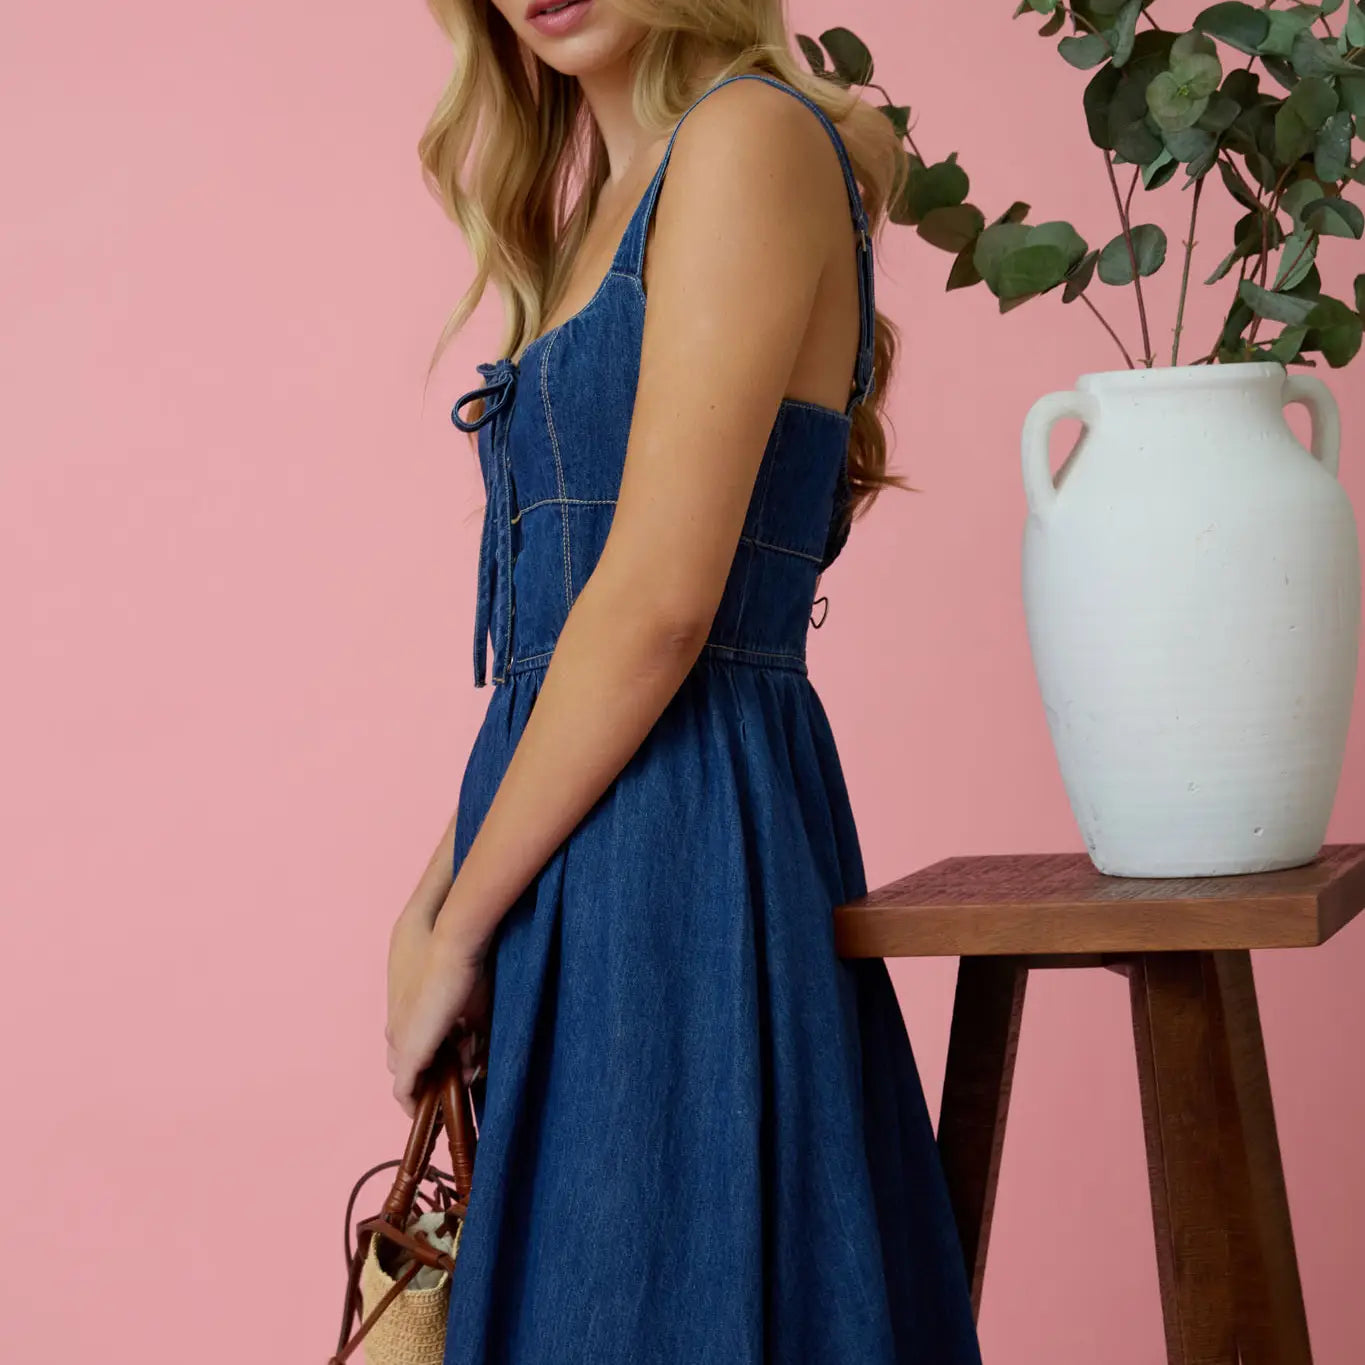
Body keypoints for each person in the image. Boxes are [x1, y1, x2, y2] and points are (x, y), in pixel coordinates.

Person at [383, 1, 984, 1360]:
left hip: (681, 845)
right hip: (578, 846)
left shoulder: (744, 142)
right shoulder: (601, 207)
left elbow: (657, 609)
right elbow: (567, 649)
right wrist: (436, 907)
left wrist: (459, 923)